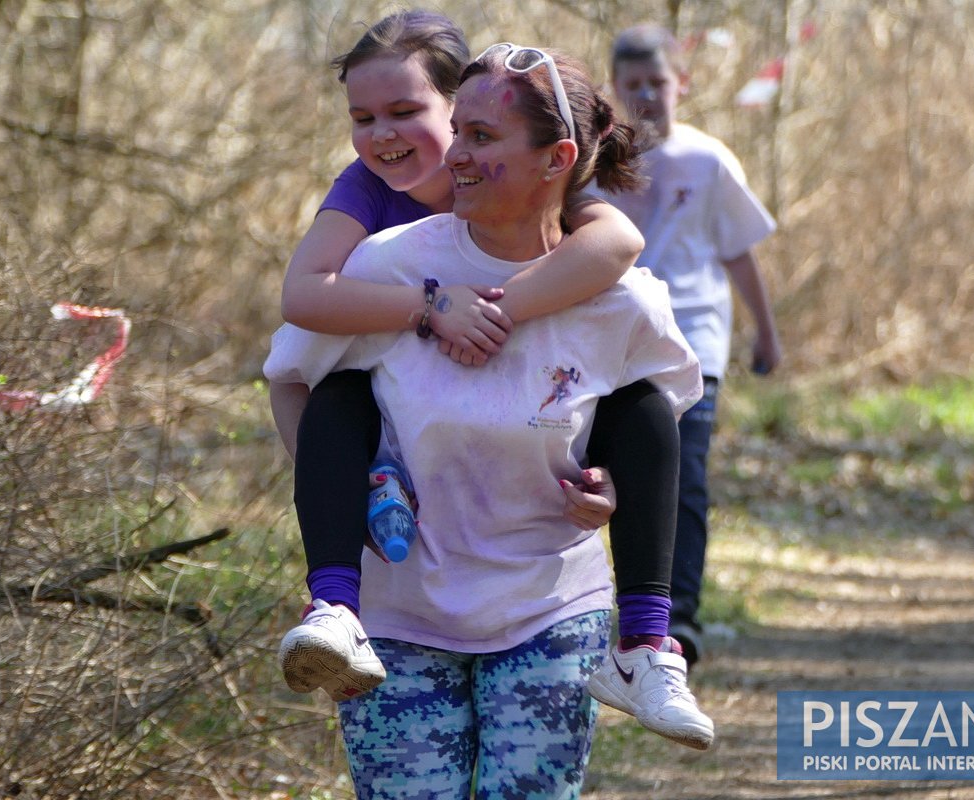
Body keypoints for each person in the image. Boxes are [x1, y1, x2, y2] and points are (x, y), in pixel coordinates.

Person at [265, 41, 707, 796]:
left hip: (549, 613)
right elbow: (293, 377)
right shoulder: (387, 266)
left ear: (555, 158)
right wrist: (350, 500)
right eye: (457, 131)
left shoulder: (623, 300)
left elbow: (652, 435)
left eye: (480, 137)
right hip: (396, 621)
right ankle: (330, 602)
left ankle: (647, 642)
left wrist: (614, 496)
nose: (455, 158)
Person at [601, 24, 782, 666]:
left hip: (695, 341)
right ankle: (616, 609)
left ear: (683, 84)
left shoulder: (709, 161)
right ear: (614, 89)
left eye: (659, 82)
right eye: (634, 85)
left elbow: (738, 251)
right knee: (617, 476)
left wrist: (766, 329)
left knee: (685, 477)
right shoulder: (597, 162)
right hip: (614, 344)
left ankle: (680, 617)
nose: (648, 94)